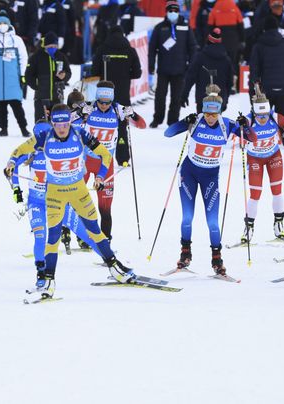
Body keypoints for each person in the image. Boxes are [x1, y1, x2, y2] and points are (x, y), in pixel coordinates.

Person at [4, 104, 136, 300]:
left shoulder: (81, 134)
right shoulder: (43, 137)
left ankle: (114, 267)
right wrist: (11, 163)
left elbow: (106, 155)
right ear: (52, 124)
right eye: (57, 124)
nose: (62, 128)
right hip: (55, 194)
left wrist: (99, 177)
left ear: (69, 121)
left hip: (78, 192)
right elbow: (18, 151)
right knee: (53, 237)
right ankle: (48, 280)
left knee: (94, 231)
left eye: (65, 123)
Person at [163, 95, 254, 276]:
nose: (210, 117)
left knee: (213, 222)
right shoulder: (196, 121)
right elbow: (168, 132)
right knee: (187, 217)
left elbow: (252, 138)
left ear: (219, 112)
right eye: (207, 113)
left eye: (214, 114)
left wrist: (246, 125)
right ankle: (185, 253)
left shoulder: (227, 125)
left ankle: (217, 259)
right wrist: (184, 121)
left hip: (210, 178)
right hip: (189, 174)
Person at [8, 116, 99, 281]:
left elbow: (86, 152)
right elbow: (11, 165)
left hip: (59, 201)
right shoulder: (31, 151)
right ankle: (41, 272)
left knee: (85, 232)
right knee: (40, 236)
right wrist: (16, 189)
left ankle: (111, 261)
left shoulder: (60, 148)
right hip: (37, 203)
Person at [81, 82, 146, 240]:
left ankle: (105, 240)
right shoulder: (88, 107)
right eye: (100, 102)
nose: (103, 106)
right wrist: (80, 113)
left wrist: (133, 115)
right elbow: (62, 123)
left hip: (105, 164)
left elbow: (142, 125)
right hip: (84, 161)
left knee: (105, 207)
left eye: (107, 103)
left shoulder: (119, 110)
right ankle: (72, 234)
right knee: (76, 199)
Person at [240, 91, 284, 244]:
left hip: (273, 156)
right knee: (255, 193)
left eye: (265, 115)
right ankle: (249, 227)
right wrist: (239, 127)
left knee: (277, 191)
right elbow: (231, 132)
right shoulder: (248, 120)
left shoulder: (275, 118)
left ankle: (278, 223)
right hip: (255, 158)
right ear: (254, 113)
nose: (263, 119)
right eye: (259, 116)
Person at [91, 25, 142, 166]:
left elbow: (93, 71)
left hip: (104, 95)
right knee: (121, 126)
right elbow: (137, 73)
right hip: (123, 94)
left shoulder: (102, 49)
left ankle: (98, 154)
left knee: (101, 125)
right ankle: (123, 158)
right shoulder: (130, 50)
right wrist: (125, 75)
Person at [0, 12, 30, 136]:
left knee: (17, 105)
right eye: (0, 24)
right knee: (1, 107)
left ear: (9, 25)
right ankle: (3, 129)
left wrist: (23, 75)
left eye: (5, 23)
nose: (2, 25)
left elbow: (24, 58)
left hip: (12, 79)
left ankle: (24, 129)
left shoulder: (16, 40)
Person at [148, 1, 195, 128]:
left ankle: (173, 120)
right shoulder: (159, 27)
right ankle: (157, 119)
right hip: (163, 68)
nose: (173, 13)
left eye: (175, 11)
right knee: (160, 96)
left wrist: (191, 65)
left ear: (178, 12)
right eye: (170, 11)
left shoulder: (186, 27)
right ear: (166, 12)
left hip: (180, 69)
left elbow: (192, 47)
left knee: (177, 97)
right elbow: (152, 48)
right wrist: (151, 65)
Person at [249, 14, 284, 120]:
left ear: (264, 28)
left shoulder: (258, 46)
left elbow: (254, 70)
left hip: (265, 91)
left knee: (262, 123)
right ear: (277, 28)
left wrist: (253, 92)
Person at [25, 32, 72, 121]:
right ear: (45, 46)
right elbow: (28, 75)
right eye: (50, 47)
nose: (53, 49)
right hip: (41, 98)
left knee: (57, 123)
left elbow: (68, 72)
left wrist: (64, 76)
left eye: (55, 46)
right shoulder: (36, 57)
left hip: (57, 98)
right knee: (41, 123)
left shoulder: (61, 56)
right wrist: (36, 86)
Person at [183, 28, 233, 113]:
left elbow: (190, 77)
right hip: (219, 100)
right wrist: (225, 100)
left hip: (202, 99)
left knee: (202, 124)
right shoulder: (226, 60)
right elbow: (229, 82)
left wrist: (184, 95)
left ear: (208, 41)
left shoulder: (200, 57)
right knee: (215, 125)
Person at [208, 0, 244, 93]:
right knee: (233, 63)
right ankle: (232, 86)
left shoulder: (215, 8)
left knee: (219, 63)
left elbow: (210, 27)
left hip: (220, 41)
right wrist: (242, 40)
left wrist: (209, 41)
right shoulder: (234, 8)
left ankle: (219, 85)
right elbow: (240, 25)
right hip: (233, 41)